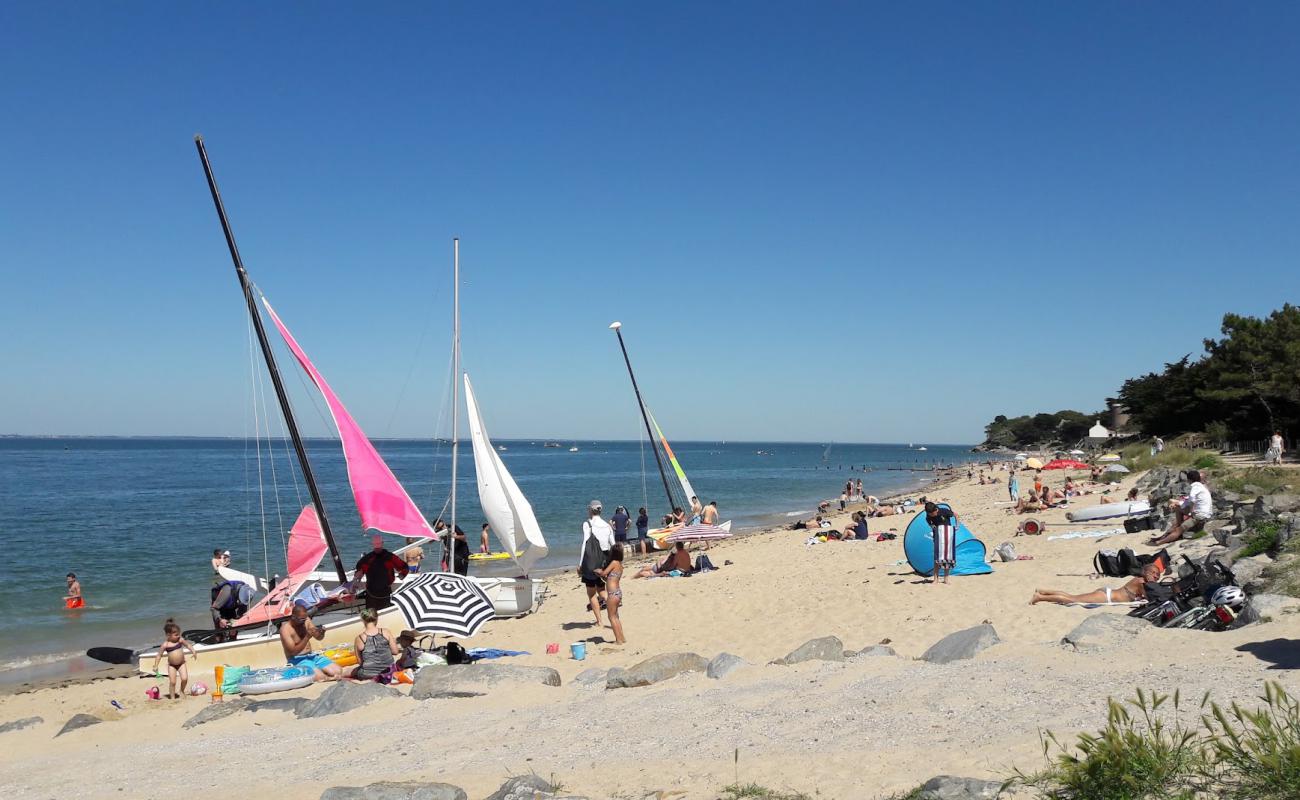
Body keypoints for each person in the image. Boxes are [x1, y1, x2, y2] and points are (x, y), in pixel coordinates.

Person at [1031, 563, 1163, 605]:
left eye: (1157, 575)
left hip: (1108, 593)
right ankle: (1040, 597)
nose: (1155, 576)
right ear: (1145, 572)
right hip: (1106, 597)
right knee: (1071, 600)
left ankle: (1043, 591)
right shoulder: (1141, 582)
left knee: (1073, 597)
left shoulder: (1139, 579)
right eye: (1153, 573)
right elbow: (1149, 597)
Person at [279, 601, 341, 681]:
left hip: (312, 656)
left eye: (305, 618)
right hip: (297, 660)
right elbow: (292, 652)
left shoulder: (306, 620)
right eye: (301, 619)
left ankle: (319, 671)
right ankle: (321, 674)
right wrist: (307, 637)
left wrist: (321, 633)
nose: (303, 621)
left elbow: (318, 638)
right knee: (321, 677)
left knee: (338, 671)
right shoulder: (285, 629)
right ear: (293, 617)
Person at [1150, 469, 1214, 546]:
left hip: (1200, 515)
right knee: (1177, 508)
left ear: (1189, 480)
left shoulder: (1195, 487)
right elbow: (1188, 501)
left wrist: (1190, 512)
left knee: (1178, 530)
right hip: (1204, 513)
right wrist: (1178, 505)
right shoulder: (1201, 487)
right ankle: (1177, 525)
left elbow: (1192, 501)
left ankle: (1159, 542)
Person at [579, 501, 614, 626]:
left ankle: (599, 621)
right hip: (604, 561)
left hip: (590, 562)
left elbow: (584, 544)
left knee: (591, 593)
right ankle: (613, 608)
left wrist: (580, 564)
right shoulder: (607, 526)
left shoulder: (588, 524)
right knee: (601, 589)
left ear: (590, 510)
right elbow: (613, 545)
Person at [355, 534, 409, 611]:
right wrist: (401, 576)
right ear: (382, 543)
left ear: (372, 544)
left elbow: (358, 573)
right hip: (382, 592)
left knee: (372, 618)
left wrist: (355, 584)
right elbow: (404, 567)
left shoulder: (367, 559)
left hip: (375, 593)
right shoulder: (389, 557)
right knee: (385, 616)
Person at [151, 619, 197, 698]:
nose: (178, 636)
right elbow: (159, 655)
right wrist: (156, 665)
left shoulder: (180, 640)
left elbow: (188, 645)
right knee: (172, 682)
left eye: (179, 634)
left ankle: (181, 691)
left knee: (185, 679)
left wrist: (193, 651)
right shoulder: (166, 645)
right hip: (172, 665)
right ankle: (172, 697)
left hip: (181, 663)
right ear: (168, 635)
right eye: (176, 635)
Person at [352, 608, 399, 681]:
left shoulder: (359, 638)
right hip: (389, 671)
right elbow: (395, 652)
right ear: (377, 618)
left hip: (368, 674)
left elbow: (360, 662)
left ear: (363, 620)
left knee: (352, 671)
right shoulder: (385, 632)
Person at [595, 544, 626, 644]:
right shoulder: (620, 565)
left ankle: (618, 640)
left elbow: (603, 573)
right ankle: (622, 638)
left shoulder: (614, 562)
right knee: (615, 616)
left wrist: (597, 570)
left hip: (612, 594)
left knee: (611, 617)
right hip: (618, 592)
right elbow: (610, 577)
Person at [924, 502, 957, 585]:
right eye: (929, 514)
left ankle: (946, 579)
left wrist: (957, 525)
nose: (931, 515)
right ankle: (935, 579)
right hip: (938, 537)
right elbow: (929, 523)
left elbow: (956, 514)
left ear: (936, 510)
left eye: (932, 513)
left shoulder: (944, 511)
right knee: (937, 557)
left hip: (947, 536)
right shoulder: (928, 515)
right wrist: (933, 527)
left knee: (947, 557)